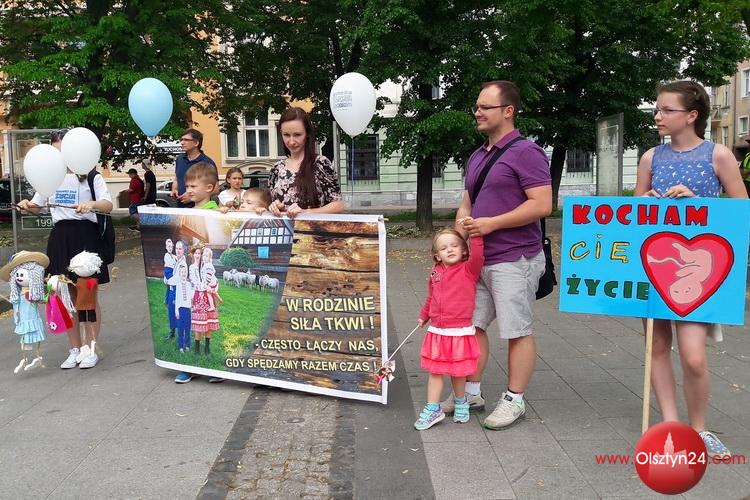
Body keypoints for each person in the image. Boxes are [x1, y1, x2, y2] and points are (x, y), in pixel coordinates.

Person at [634, 80, 747, 457]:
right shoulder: (651, 158)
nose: (658, 116)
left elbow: (741, 212)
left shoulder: (719, 156)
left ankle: (699, 428)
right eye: (658, 109)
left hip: (700, 270)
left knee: (693, 356)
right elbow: (634, 213)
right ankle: (670, 424)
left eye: (667, 110)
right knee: (657, 346)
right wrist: (646, 202)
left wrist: (699, 202)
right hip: (656, 267)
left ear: (691, 115)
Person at [447, 81, 552, 430]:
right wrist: (457, 238)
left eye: (485, 107)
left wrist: (492, 224)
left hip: (515, 258)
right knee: (471, 326)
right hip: (478, 258)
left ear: (508, 111)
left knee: (516, 330)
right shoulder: (477, 155)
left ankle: (514, 400)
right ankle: (471, 394)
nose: (477, 112)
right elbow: (467, 203)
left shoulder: (527, 153)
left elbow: (542, 204)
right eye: (476, 106)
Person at [16, 129, 113, 369]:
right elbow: (37, 206)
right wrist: (26, 205)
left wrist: (91, 204)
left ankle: (90, 348)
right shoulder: (50, 175)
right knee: (65, 296)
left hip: (85, 236)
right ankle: (74, 348)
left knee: (87, 295)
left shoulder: (91, 176)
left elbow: (107, 205)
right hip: (60, 238)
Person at [414, 229, 484, 430]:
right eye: (444, 248)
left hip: (460, 331)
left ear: (464, 250)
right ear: (437, 255)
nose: (450, 250)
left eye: (454, 245)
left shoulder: (469, 269)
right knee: (435, 371)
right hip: (438, 331)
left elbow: (478, 255)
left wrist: (476, 233)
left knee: (458, 372)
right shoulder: (435, 272)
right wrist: (424, 315)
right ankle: (433, 408)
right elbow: (431, 297)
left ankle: (461, 403)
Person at [174, 162, 224, 383]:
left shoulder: (217, 211)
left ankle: (212, 368)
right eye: (187, 186)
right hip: (192, 282)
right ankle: (191, 365)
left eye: (194, 186)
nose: (189, 190)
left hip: (206, 284)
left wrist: (225, 212)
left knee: (207, 322)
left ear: (209, 188)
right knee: (195, 319)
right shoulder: (187, 213)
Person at [267, 107, 343, 218]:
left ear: (307, 134)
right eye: (286, 135)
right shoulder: (276, 168)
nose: (291, 141)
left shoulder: (320, 163)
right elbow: (270, 202)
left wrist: (305, 212)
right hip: (282, 228)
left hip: (311, 228)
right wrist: (274, 207)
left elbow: (338, 205)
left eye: (297, 135)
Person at [170, 128, 217, 208]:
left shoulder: (208, 162)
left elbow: (215, 188)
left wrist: (191, 197)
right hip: (181, 207)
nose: (182, 143)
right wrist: (174, 190)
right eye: (181, 140)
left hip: (201, 208)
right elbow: (177, 179)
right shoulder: (179, 159)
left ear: (196, 143)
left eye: (186, 140)